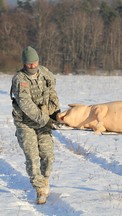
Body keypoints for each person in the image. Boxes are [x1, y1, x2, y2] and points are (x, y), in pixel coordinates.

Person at [10, 46, 60, 204]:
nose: (33, 66)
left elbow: (52, 89)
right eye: (29, 63)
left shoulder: (45, 72)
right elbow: (26, 105)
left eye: (35, 62)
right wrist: (45, 119)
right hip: (26, 123)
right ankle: (39, 189)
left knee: (48, 156)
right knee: (32, 157)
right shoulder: (20, 80)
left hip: (44, 120)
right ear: (24, 64)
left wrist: (54, 111)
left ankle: (44, 181)